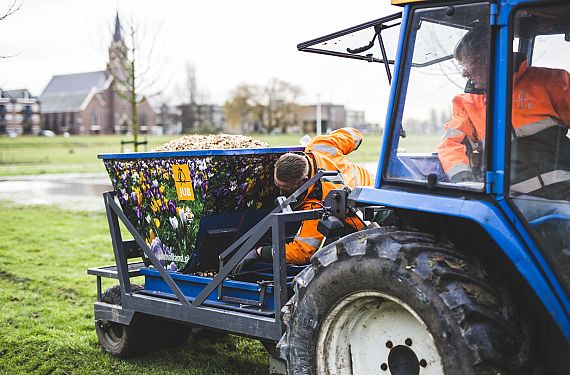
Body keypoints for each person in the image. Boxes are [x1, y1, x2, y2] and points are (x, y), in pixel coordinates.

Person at [437, 26, 570, 197]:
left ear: (488, 59)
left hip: (564, 194)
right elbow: (451, 144)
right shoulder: (466, 104)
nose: (464, 73)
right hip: (508, 204)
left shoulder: (553, 83)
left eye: (467, 63)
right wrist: (463, 179)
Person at [243, 127, 373, 267]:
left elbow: (302, 252)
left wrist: (261, 252)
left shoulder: (320, 204)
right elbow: (355, 135)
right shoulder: (320, 145)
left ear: (304, 181)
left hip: (369, 215)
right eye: (277, 186)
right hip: (372, 184)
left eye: (285, 190)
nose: (280, 193)